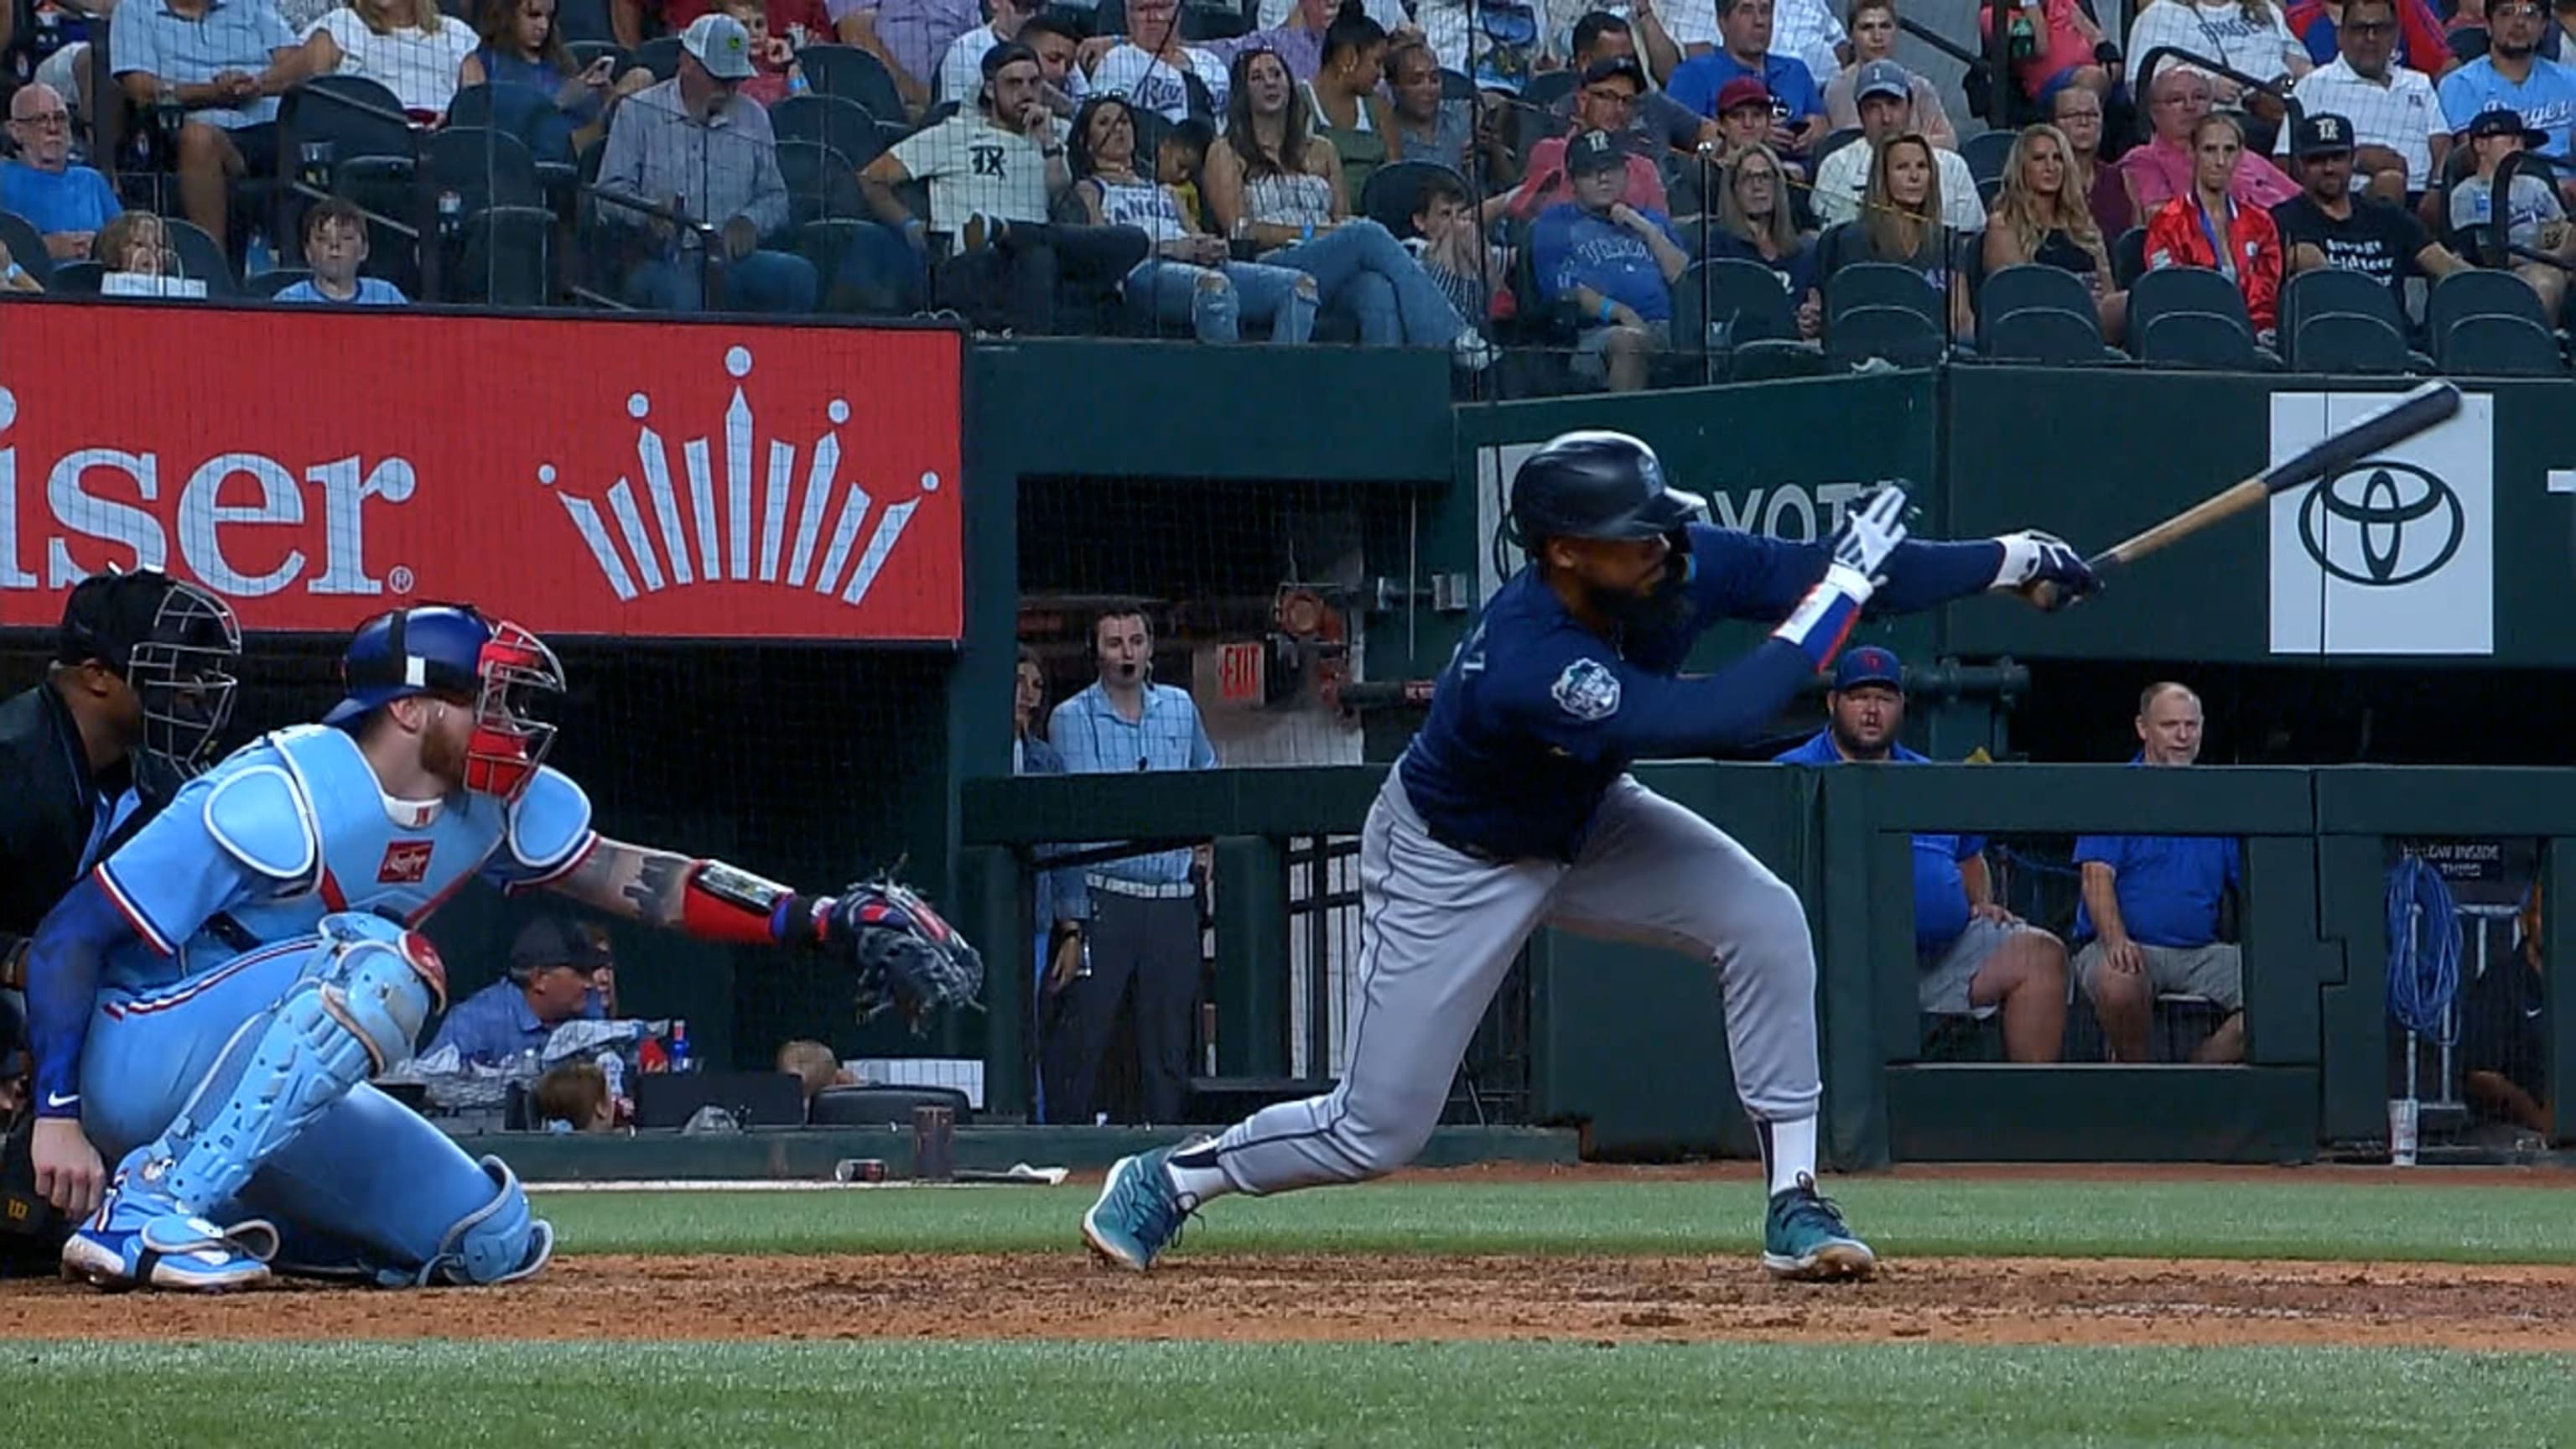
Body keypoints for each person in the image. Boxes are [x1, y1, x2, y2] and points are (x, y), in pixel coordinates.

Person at [1078, 432, 2099, 1281]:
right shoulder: (1531, 659)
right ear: (1564, 551)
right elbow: (1726, 714)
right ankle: (1169, 1180)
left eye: (1658, 523)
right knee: (1377, 1129)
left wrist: (2009, 561)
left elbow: (1841, 571)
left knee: (1766, 918)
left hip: (1584, 819)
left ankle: (1795, 1202)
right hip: (1454, 859)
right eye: (1631, 534)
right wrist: (1839, 587)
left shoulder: (1675, 558)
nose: (1660, 543)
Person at [23, 603, 981, 1291]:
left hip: (250, 1081)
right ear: (409, 709)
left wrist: (811, 918)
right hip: (138, 1049)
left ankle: (231, 1212)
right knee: (389, 964)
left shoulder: (489, 808)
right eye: (486, 697)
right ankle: (151, 1208)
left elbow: (637, 877)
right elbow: (72, 934)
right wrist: (59, 1116)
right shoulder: (284, 790)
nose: (510, 724)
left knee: (489, 1238)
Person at [0, 572, 240, 1278]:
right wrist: (21, 964)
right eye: (175, 670)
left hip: (72, 1019)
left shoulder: (165, 782)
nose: (195, 690)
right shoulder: (11, 762)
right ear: (98, 676)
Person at [1774, 647, 2070, 1064]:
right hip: (1825, 967)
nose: (1872, 711)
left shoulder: (1930, 779)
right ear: (1832, 703)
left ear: (1902, 706)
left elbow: (1969, 856)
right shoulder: (1791, 774)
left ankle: (2036, 1115)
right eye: (1859, 698)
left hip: (1934, 957)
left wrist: (1979, 902)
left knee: (2041, 954)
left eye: (1884, 699)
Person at [1202, 47, 1493, 365]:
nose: (1270, 83)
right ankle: (1449, 338)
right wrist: (1314, 232)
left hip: (1328, 259)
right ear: (1242, 92)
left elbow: (1340, 218)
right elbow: (1239, 228)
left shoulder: (1322, 150)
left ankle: (1389, 396)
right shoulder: (1226, 151)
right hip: (1269, 265)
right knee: (1365, 233)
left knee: (1376, 288)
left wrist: (1331, 234)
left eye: (1276, 74)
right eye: (1256, 78)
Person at [1046, 610, 1218, 1127]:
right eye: (1116, 642)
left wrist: (1201, 848)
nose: (1127, 653)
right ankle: (1070, 1146)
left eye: (1136, 641)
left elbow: (1205, 776)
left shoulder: (1181, 708)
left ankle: (1168, 1145)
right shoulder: (1070, 718)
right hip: (1106, 892)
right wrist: (1072, 919)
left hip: (1170, 898)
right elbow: (1072, 818)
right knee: (1085, 1035)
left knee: (1169, 1042)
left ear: (1150, 649)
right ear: (1096, 652)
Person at [593, 13, 818, 314]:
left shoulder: (754, 117)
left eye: (735, 79)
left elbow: (775, 197)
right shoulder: (638, 112)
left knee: (797, 276)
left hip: (730, 260)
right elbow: (607, 195)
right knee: (684, 293)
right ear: (687, 62)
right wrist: (648, 212)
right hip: (662, 261)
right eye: (719, 77)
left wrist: (750, 221)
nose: (728, 89)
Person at [2071, 682, 2246, 1065]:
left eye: (2192, 725)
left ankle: (2187, 1084)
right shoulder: (2116, 790)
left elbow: (2251, 885)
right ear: (2142, 728)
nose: (2183, 736)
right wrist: (2117, 940)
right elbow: (2096, 877)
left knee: (2280, 991)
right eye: (2170, 725)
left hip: (2200, 951)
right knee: (2119, 980)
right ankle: (2143, 1084)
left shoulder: (2218, 799)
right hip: (2127, 946)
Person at [1070, 93, 1321, 343]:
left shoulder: (1166, 191)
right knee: (1215, 289)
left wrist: (1213, 245)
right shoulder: (1090, 189)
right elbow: (1105, 254)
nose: (1118, 129)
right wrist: (1172, 250)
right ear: (1087, 142)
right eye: (1104, 123)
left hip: (1198, 264)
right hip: (1145, 271)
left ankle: (1280, 379)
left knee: (1300, 288)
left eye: (1124, 121)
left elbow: (1195, 234)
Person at [1532, 127, 1689, 391]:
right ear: (1572, 182)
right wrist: (1620, 313)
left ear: (1627, 173)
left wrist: (1644, 227)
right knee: (1629, 344)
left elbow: (1685, 279)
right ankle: (1621, 430)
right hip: (1597, 335)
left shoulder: (1651, 221)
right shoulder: (1555, 223)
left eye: (1611, 168)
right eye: (1591, 171)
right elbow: (1564, 289)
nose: (1603, 178)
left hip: (1670, 331)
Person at [2272, 110, 2467, 314]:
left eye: (2337, 157)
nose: (2329, 168)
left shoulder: (2388, 217)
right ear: (2300, 164)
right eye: (2317, 159)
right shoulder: (2285, 220)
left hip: (2396, 338)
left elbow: (2446, 267)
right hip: (2326, 336)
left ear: (2352, 160)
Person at [1816, 132, 1975, 338]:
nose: (1914, 176)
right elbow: (1854, 318)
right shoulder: (1856, 239)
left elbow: (1961, 318)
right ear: (1882, 177)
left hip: (1936, 354)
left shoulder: (1947, 239)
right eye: (1902, 167)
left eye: (1922, 166)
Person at [2144, 112, 2286, 335]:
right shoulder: (2168, 222)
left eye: (2229, 150)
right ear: (2192, 153)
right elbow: (2170, 290)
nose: (2220, 161)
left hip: (2253, 335)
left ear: (2240, 155)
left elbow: (2265, 297)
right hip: (2191, 333)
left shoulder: (2261, 224)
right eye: (2210, 150)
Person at [1983, 122, 2125, 340]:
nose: (2051, 166)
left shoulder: (2084, 225)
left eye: (2058, 158)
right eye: (2039, 159)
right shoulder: (2004, 223)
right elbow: (2015, 295)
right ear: (2022, 167)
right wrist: (2075, 294)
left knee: (2132, 301)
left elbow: (2108, 295)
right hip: (2035, 326)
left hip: (2091, 322)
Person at [423, 915, 612, 1066]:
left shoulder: (588, 1006)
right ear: (539, 980)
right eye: (581, 973)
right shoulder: (475, 1021)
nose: (590, 984)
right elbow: (427, 1088)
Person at [2449, 105, 2576, 313]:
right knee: (2543, 282)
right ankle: (2540, 343)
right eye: (2512, 141)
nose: (2520, 149)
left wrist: (2558, 252)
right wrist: (2549, 254)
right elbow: (2484, 254)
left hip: (2557, 262)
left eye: (2523, 144)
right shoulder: (2466, 193)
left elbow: (2562, 230)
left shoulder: (2535, 185)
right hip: (2507, 273)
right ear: (2481, 144)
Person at [1707, 143, 1820, 338]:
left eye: (1765, 177)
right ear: (1733, 189)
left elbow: (1810, 306)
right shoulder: (1718, 247)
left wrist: (1811, 318)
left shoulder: (1801, 252)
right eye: (1747, 178)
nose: (1757, 186)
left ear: (1778, 187)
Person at [3, 82, 121, 262]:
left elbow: (126, 240)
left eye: (60, 118)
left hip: (95, 284)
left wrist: (99, 247)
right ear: (16, 131)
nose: (53, 128)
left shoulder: (92, 181)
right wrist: (42, 248)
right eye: (41, 120)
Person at [273, 196, 411, 304]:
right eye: (322, 239)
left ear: (364, 249)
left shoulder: (389, 298)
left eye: (346, 238)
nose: (334, 245)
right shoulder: (288, 301)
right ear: (308, 252)